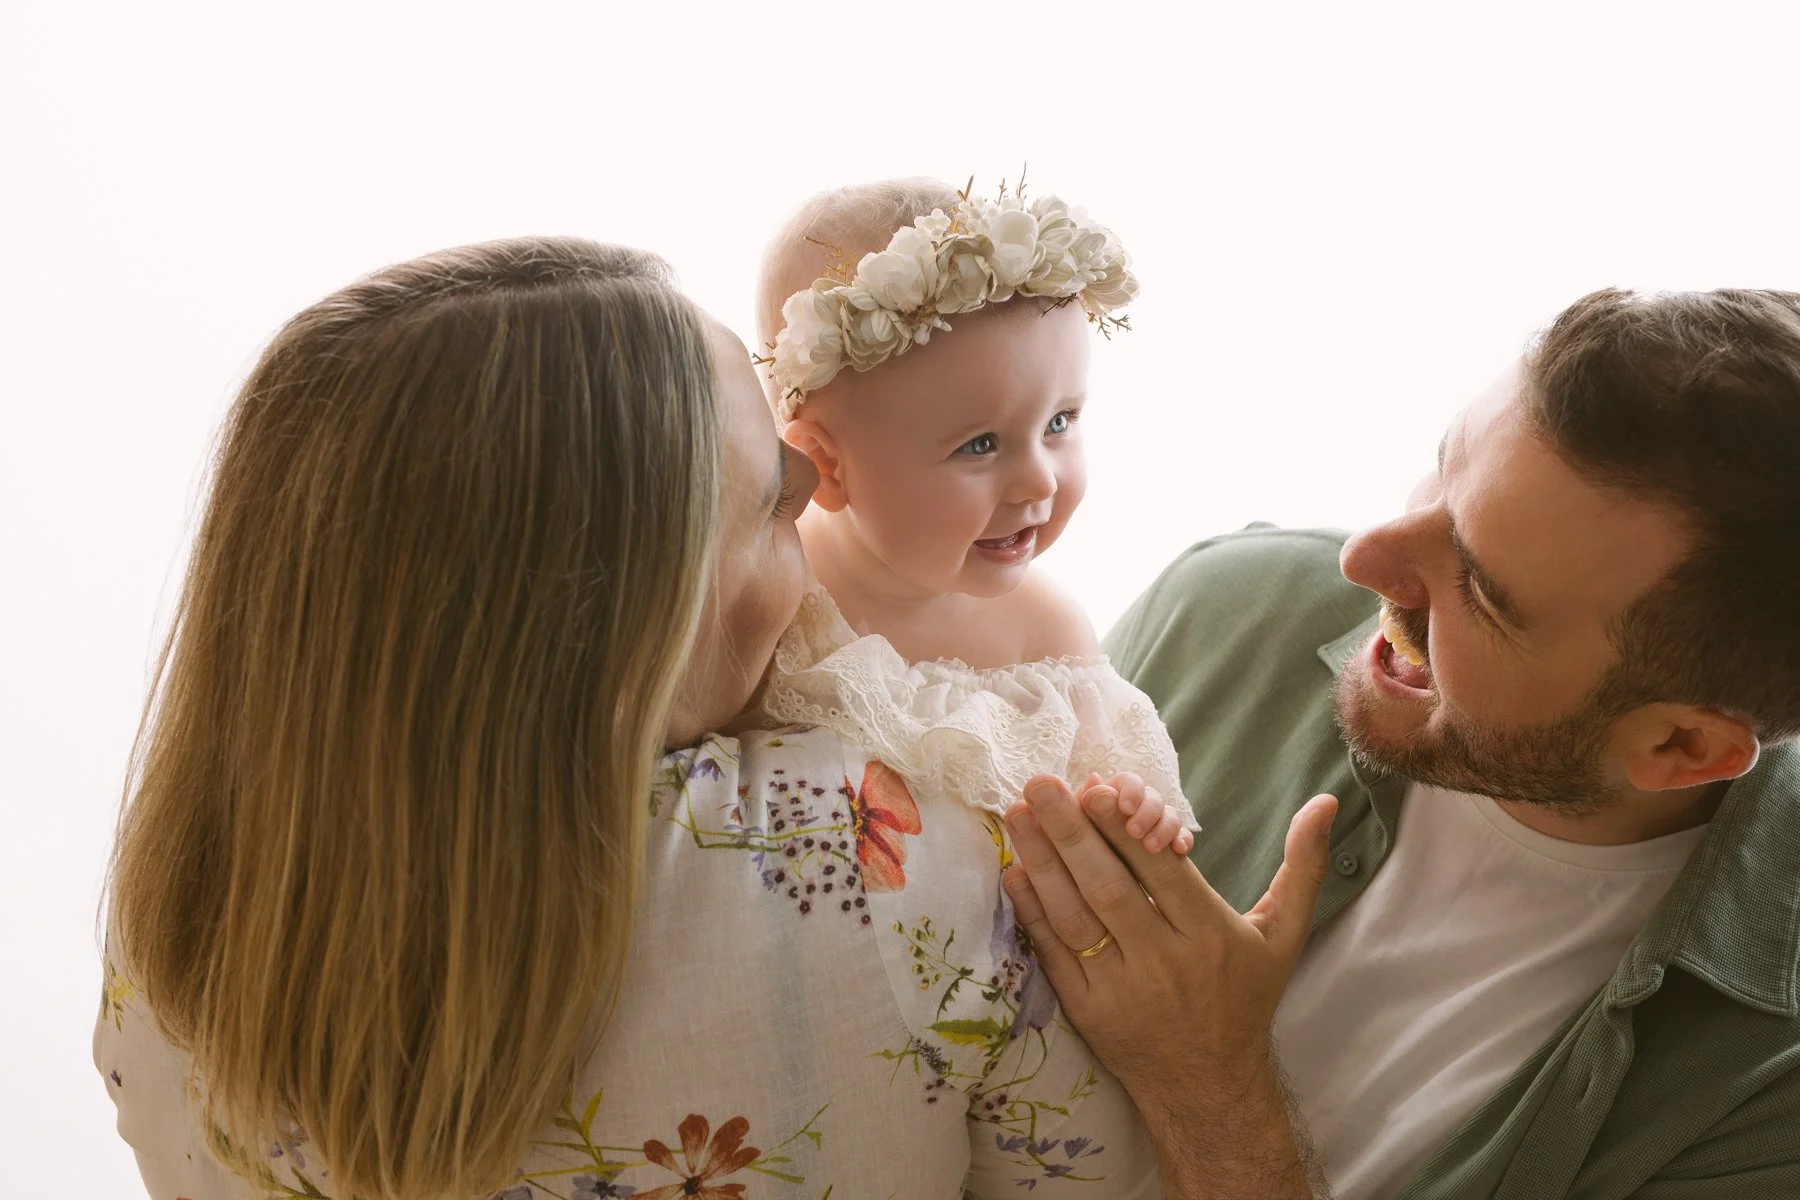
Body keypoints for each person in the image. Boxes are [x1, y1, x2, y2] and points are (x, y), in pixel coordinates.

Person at [94, 237, 1162, 1199]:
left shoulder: (175, 919)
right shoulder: (887, 853)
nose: (814, 509)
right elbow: (1116, 1177)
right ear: (619, 636)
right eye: (777, 508)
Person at [1001, 288, 1800, 1198]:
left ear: (1681, 748)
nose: (1366, 559)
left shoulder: (1770, 1091)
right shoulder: (1225, 610)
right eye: (1442, 469)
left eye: (1485, 592)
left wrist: (1207, 1080)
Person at [751, 176, 1195, 851]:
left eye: (1060, 422)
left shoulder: (1042, 637)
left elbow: (1105, 806)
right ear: (824, 465)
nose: (1038, 480)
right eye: (980, 445)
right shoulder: (770, 599)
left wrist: (1135, 818)